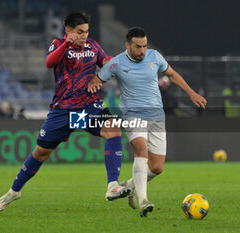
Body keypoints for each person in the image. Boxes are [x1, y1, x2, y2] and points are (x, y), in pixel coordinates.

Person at [0, 12, 131, 213]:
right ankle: (14, 192)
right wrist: (66, 44)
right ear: (68, 31)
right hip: (63, 111)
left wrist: (100, 77)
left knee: (113, 129)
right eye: (79, 32)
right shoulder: (57, 44)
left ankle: (112, 186)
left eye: (86, 32)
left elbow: (110, 63)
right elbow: (49, 62)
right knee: (41, 152)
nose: (84, 36)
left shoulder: (93, 46)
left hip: (87, 108)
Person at [88, 27, 207, 217]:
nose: (142, 50)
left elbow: (172, 74)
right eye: (138, 46)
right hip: (133, 115)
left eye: (144, 46)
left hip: (156, 116)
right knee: (141, 150)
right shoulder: (116, 63)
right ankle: (144, 201)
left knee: (157, 167)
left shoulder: (154, 56)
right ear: (128, 45)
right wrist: (93, 83)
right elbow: (98, 78)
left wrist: (191, 93)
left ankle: (128, 186)